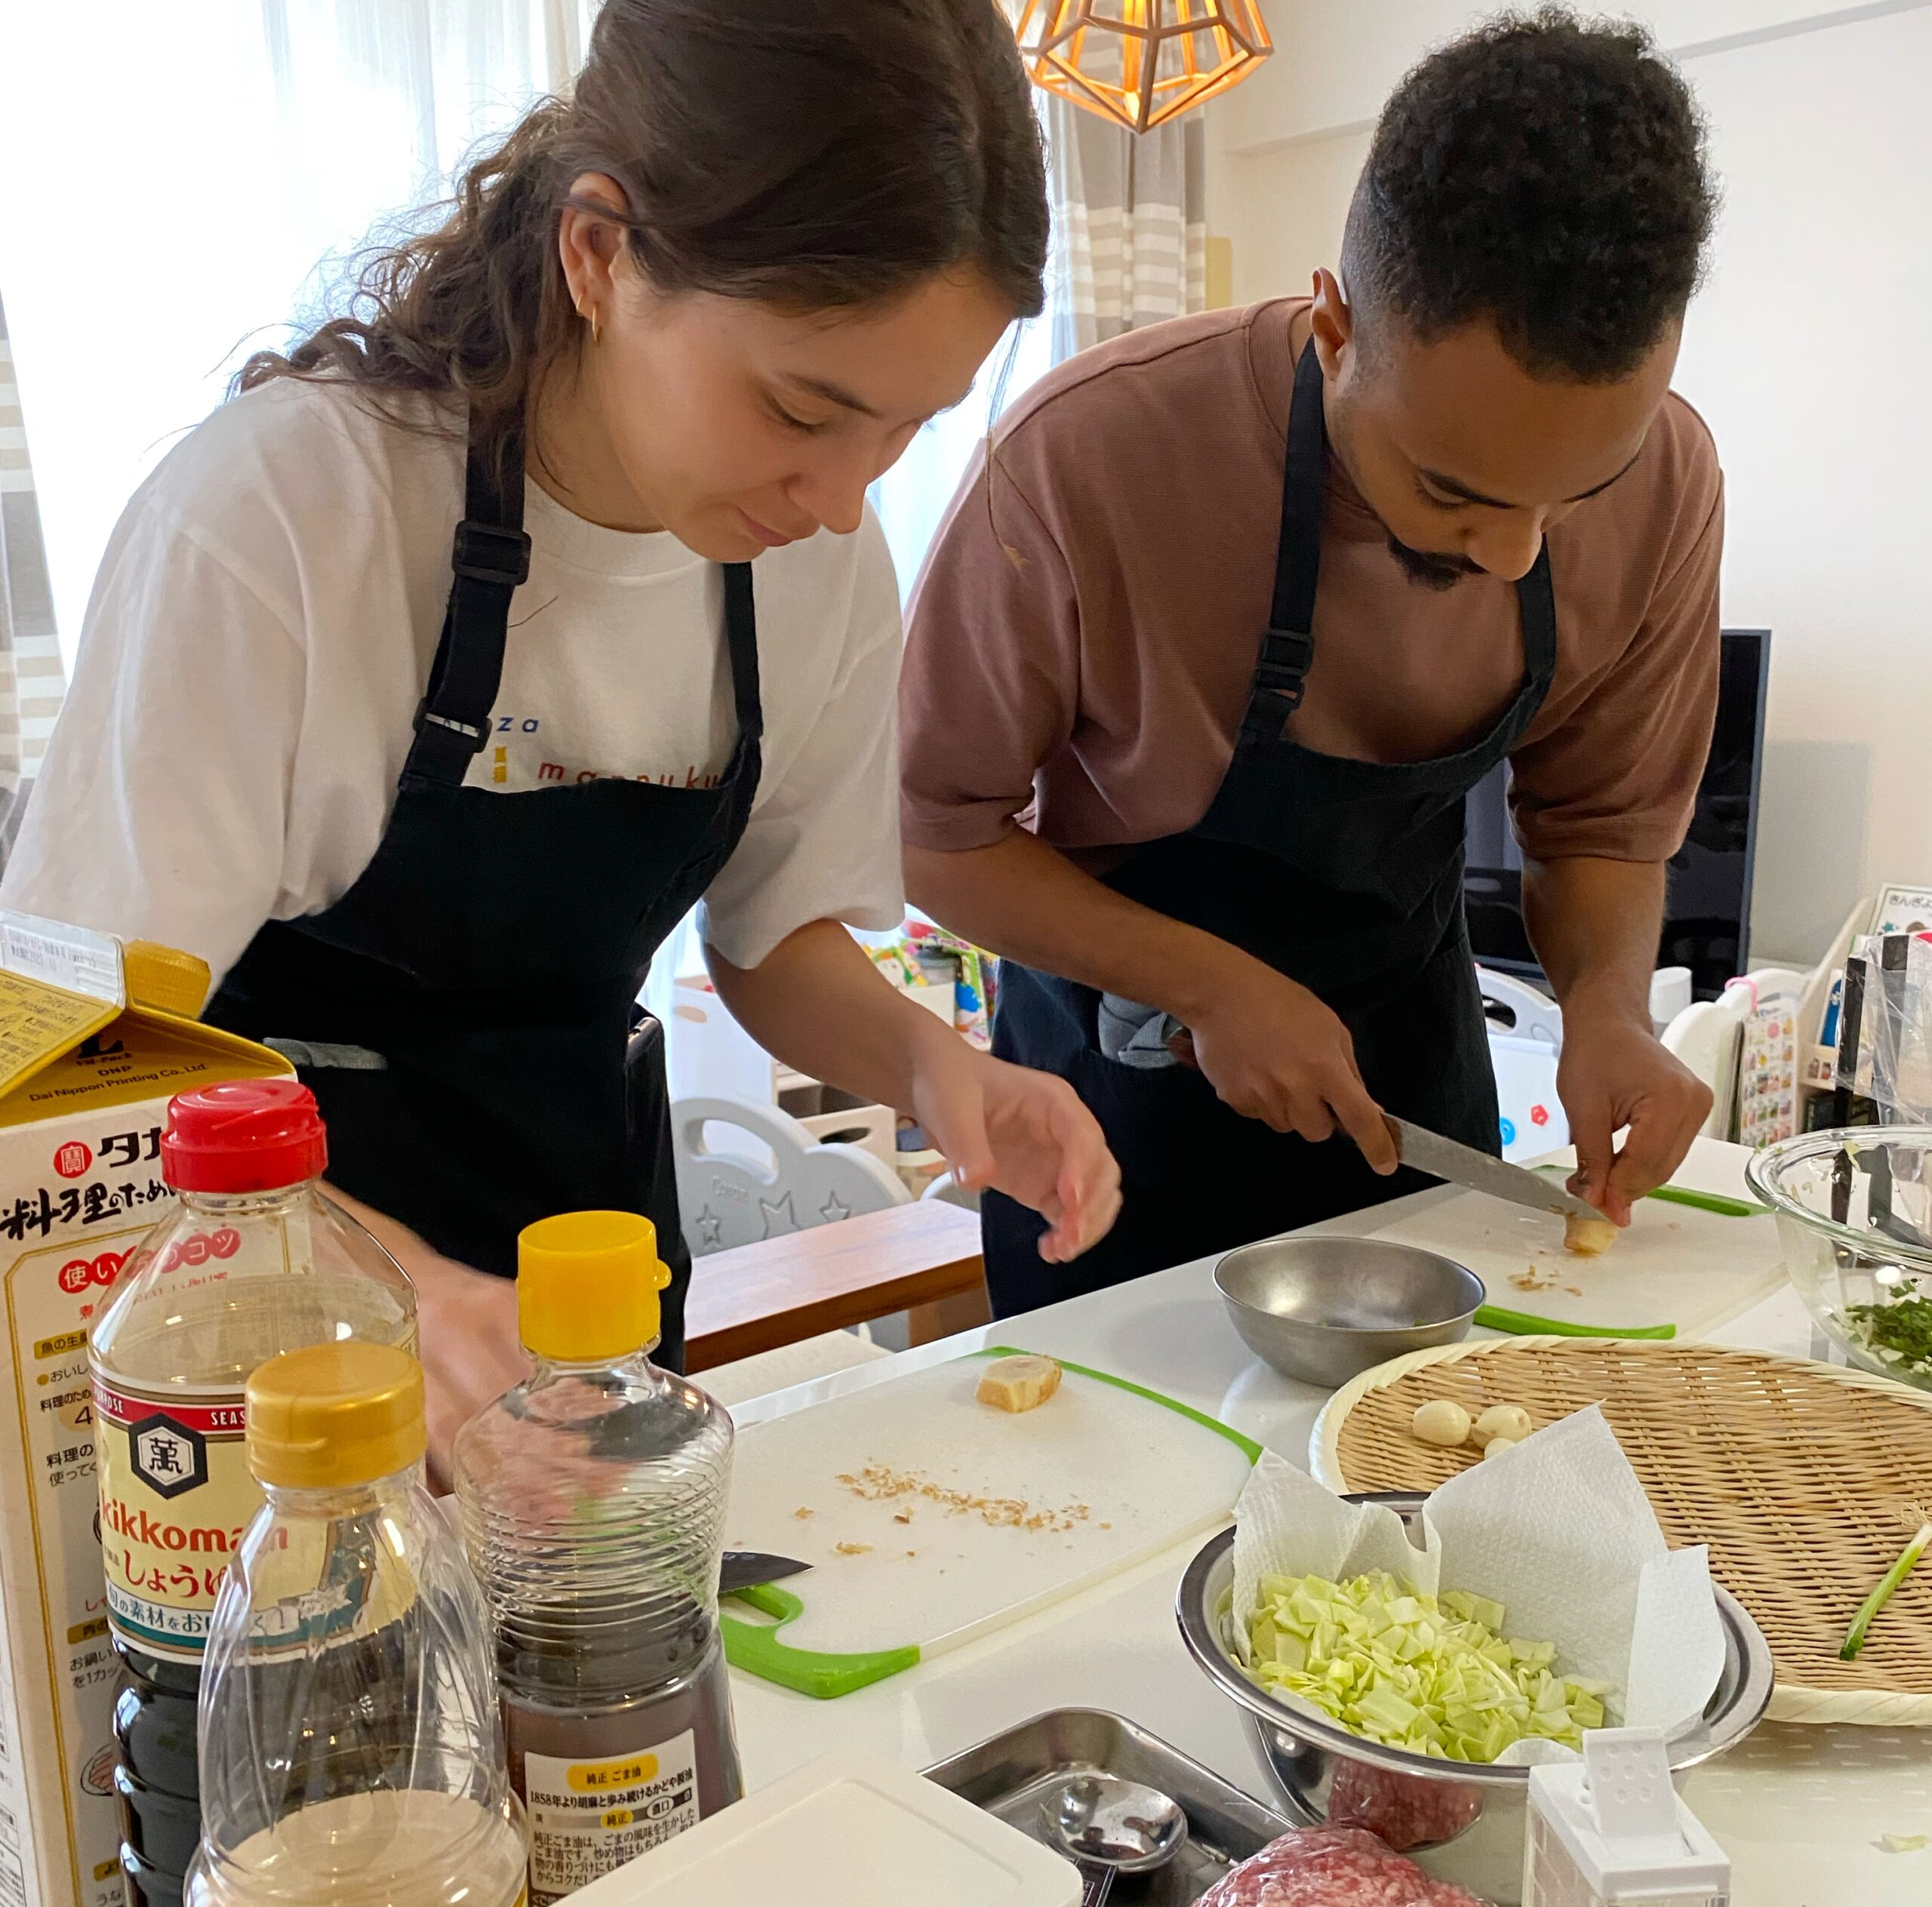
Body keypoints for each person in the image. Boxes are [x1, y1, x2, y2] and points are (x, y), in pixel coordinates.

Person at [3, 0, 1119, 1460]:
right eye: (802, 408)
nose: (845, 498)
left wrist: (933, 1068)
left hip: (587, 1281)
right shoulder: (287, 520)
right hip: (243, 1350)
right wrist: (393, 1293)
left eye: (905, 430)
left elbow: (773, 939)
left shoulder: (815, 565)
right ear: (598, 251)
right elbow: (70, 1060)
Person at [899, 11, 1721, 1316]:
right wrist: (1205, 982)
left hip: (1410, 1078)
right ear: (1334, 327)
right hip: (1120, 1121)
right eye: (1452, 491)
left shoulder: (1669, 477)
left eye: (1576, 495)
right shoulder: (1088, 465)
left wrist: (1611, 1010)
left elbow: (1606, 826)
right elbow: (931, 837)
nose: (1512, 556)